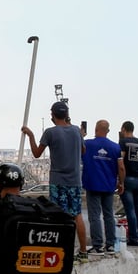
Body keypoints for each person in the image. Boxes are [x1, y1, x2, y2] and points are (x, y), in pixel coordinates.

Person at [21, 101, 88, 262]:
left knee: (59, 216)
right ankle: (84, 252)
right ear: (67, 115)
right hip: (75, 181)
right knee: (77, 215)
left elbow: (37, 153)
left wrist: (30, 135)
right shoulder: (77, 132)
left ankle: (62, 251)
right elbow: (83, 151)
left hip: (58, 181)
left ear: (52, 115)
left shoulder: (50, 133)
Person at [81, 119, 125, 256]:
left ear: (95, 129)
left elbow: (77, 148)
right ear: (108, 131)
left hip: (92, 185)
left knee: (94, 216)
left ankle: (97, 246)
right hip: (109, 186)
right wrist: (121, 182)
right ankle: (110, 245)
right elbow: (121, 167)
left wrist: (82, 135)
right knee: (109, 215)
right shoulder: (115, 147)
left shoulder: (87, 144)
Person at [119, 120, 138, 246]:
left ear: (124, 129)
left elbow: (121, 160)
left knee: (130, 210)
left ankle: (133, 238)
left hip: (128, 178)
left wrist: (120, 180)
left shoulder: (123, 142)